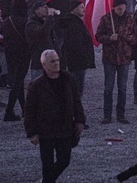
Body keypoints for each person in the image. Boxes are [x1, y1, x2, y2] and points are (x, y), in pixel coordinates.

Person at [25, 49, 86, 183]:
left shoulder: (68, 79)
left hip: (64, 129)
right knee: (47, 165)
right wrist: (32, 133)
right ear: (44, 65)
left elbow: (76, 100)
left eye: (57, 60)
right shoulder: (36, 86)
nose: (56, 63)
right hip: (46, 130)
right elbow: (29, 111)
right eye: (52, 61)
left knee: (64, 160)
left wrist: (80, 121)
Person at [95, 0, 137, 124]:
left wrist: (125, 37)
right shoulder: (106, 19)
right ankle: (107, 115)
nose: (121, 10)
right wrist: (108, 38)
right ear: (114, 7)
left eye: (123, 8)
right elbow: (98, 36)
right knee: (108, 88)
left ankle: (121, 114)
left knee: (122, 88)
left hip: (124, 58)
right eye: (119, 8)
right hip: (110, 58)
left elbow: (135, 37)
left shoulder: (130, 19)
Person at [54, 0, 95, 100]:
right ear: (74, 9)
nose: (84, 9)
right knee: (76, 91)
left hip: (76, 62)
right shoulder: (74, 25)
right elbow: (75, 45)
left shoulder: (74, 23)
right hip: (77, 63)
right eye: (81, 7)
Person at [0, 0, 30, 121]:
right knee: (18, 82)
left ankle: (24, 109)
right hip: (23, 54)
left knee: (17, 81)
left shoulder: (6, 21)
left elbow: (0, 40)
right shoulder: (26, 22)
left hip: (9, 53)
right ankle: (9, 111)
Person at [26, 0, 58, 80]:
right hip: (39, 62)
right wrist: (50, 17)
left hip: (50, 63)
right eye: (44, 7)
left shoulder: (46, 22)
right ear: (37, 11)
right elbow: (43, 32)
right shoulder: (31, 24)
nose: (47, 9)